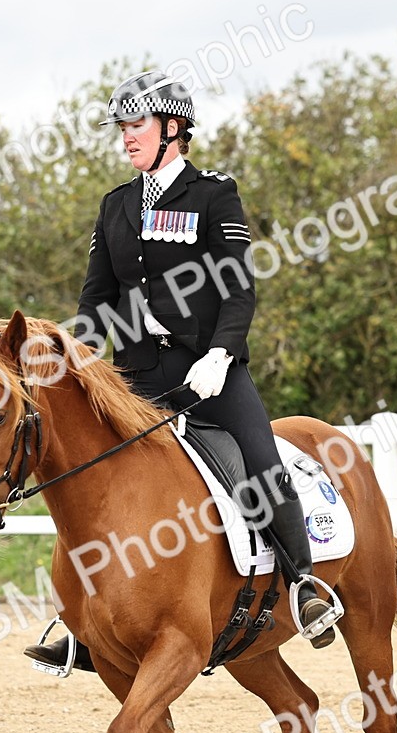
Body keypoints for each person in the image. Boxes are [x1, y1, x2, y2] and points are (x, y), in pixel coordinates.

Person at [24, 71, 337, 673]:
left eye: (135, 125)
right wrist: (74, 363)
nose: (125, 138)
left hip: (208, 373)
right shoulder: (115, 204)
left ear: (173, 128)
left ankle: (304, 585)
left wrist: (221, 354)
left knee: (261, 464)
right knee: (86, 478)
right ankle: (84, 620)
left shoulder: (214, 195)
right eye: (121, 128)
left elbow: (239, 288)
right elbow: (97, 302)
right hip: (135, 378)